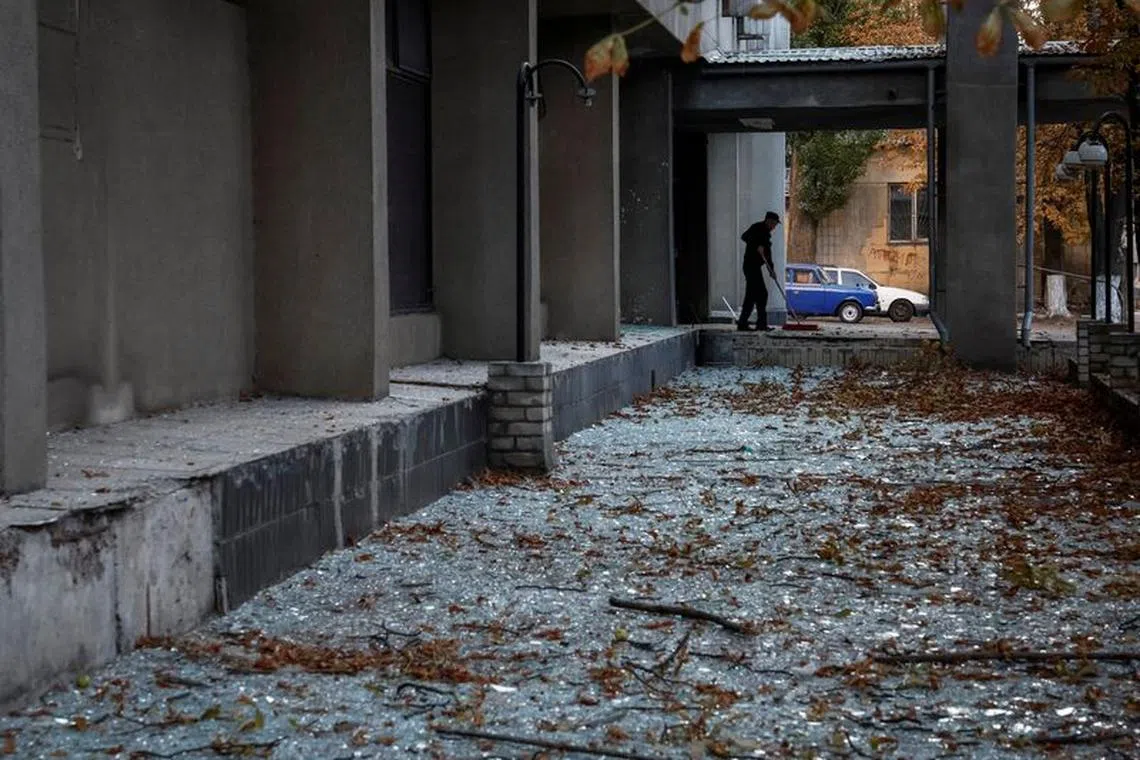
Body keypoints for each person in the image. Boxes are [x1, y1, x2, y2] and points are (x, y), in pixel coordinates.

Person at [738, 211, 781, 332]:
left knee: (751, 296)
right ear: (769, 221)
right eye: (774, 224)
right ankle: (760, 324)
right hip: (750, 266)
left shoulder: (766, 235)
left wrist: (771, 270)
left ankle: (743, 323)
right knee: (762, 294)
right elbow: (744, 236)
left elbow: (768, 256)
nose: (774, 227)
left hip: (756, 267)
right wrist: (756, 245)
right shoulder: (757, 227)